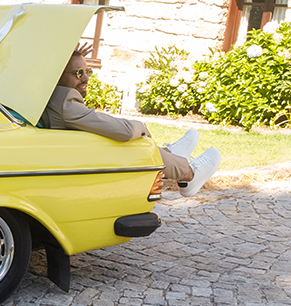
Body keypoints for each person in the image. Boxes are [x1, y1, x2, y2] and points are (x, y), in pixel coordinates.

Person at [43, 49, 220, 196]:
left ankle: (169, 153)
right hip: (81, 164)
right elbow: (122, 131)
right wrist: (142, 127)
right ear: (58, 77)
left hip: (72, 157)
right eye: (77, 73)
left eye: (87, 71)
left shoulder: (48, 98)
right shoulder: (64, 103)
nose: (86, 78)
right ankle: (188, 175)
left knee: (127, 135)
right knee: (130, 139)